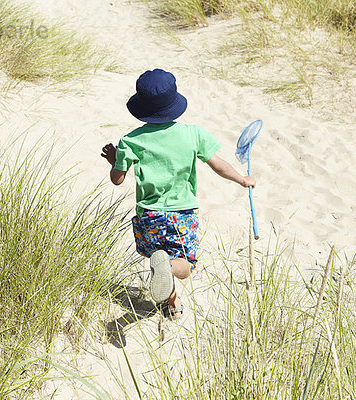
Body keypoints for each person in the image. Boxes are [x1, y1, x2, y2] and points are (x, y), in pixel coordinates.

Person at [101, 68, 255, 319]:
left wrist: (114, 159)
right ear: (173, 102)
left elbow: (117, 180)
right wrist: (242, 179)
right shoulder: (193, 134)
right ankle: (170, 269)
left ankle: (172, 303)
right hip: (182, 213)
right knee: (184, 264)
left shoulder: (130, 141)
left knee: (157, 258)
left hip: (148, 215)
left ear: (141, 106)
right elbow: (218, 165)